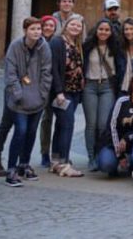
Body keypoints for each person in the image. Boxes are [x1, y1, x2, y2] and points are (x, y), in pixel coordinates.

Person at [2, 17, 52, 187]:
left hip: (37, 99)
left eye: (39, 29)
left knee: (31, 132)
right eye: (33, 29)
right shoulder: (15, 46)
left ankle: (24, 164)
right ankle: (11, 168)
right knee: (20, 131)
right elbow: (10, 72)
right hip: (19, 99)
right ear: (25, 31)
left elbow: (47, 71)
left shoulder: (44, 47)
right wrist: (17, 94)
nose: (36, 32)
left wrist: (43, 94)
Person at [47, 15, 85, 177]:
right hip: (63, 92)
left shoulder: (77, 44)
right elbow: (53, 68)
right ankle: (64, 163)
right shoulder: (57, 42)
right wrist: (58, 91)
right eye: (73, 24)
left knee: (62, 125)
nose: (76, 27)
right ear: (66, 25)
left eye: (79, 25)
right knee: (68, 125)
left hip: (74, 91)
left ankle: (55, 161)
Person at [82, 18, 120, 172]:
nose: (103, 32)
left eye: (107, 30)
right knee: (91, 124)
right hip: (90, 86)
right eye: (101, 29)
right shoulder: (87, 47)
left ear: (111, 32)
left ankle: (100, 154)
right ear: (96, 30)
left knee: (103, 124)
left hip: (107, 86)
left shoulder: (115, 47)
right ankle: (91, 157)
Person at [97, 73, 133, 178]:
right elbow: (112, 126)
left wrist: (127, 137)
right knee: (106, 164)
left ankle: (132, 163)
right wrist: (120, 155)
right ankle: (114, 162)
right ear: (132, 85)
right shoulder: (121, 101)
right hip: (115, 142)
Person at [38, 14, 58, 167]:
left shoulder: (58, 43)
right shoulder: (36, 43)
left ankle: (57, 154)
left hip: (55, 86)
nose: (48, 28)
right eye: (46, 25)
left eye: (51, 26)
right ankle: (44, 153)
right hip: (39, 87)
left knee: (61, 121)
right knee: (46, 120)